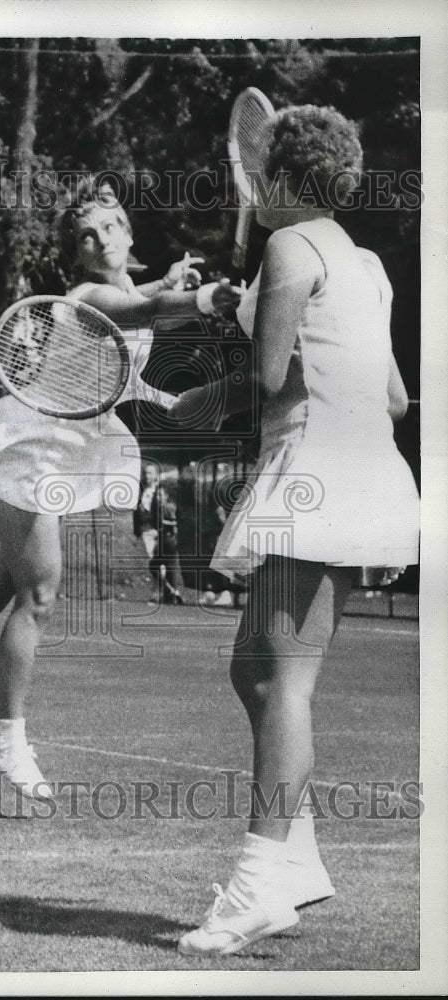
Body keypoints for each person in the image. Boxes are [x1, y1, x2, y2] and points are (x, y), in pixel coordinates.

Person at [170, 106, 420, 956]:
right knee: (252, 670)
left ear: (272, 178)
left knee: (282, 685)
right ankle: (296, 863)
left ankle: (252, 886)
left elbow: (270, 379)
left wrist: (189, 400)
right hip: (358, 470)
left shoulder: (287, 247)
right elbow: (390, 398)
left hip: (317, 476)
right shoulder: (367, 263)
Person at [0, 177, 241, 799]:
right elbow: (139, 312)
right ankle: (8, 742)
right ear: (78, 253)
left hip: (67, 447)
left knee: (17, 574)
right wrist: (199, 301)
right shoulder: (92, 294)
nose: (101, 239)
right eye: (86, 235)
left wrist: (172, 287)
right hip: (29, 445)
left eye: (110, 226)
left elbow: (139, 307)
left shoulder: (124, 287)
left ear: (128, 231)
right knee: (39, 594)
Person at [149, 483, 185, 605]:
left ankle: (172, 592)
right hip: (164, 540)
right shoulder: (158, 508)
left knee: (155, 566)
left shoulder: (168, 507)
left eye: (161, 495)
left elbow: (174, 526)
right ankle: (172, 593)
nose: (158, 498)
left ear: (166, 496)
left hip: (169, 541)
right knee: (167, 568)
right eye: (157, 495)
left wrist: (164, 529)